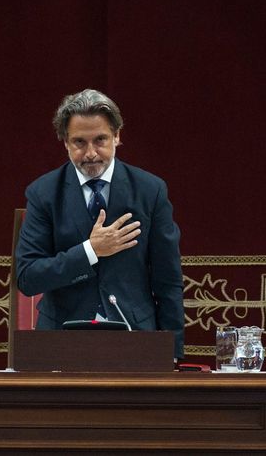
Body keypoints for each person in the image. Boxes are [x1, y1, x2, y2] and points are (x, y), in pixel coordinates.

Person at [15, 89, 185, 360]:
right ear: (65, 143)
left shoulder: (150, 190)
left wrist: (172, 352)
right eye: (79, 142)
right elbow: (28, 277)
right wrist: (90, 251)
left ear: (117, 136)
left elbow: (168, 280)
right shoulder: (44, 193)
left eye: (101, 140)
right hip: (62, 340)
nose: (91, 153)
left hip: (135, 337)